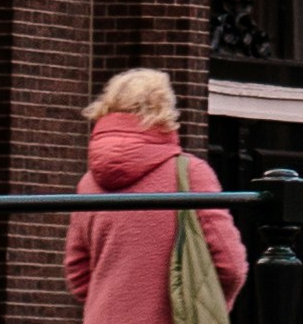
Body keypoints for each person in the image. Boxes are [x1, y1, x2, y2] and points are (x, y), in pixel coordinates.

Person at [65, 70, 250, 322]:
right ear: (164, 111)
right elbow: (231, 265)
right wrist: (205, 305)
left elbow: (77, 271)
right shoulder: (189, 173)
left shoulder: (88, 183)